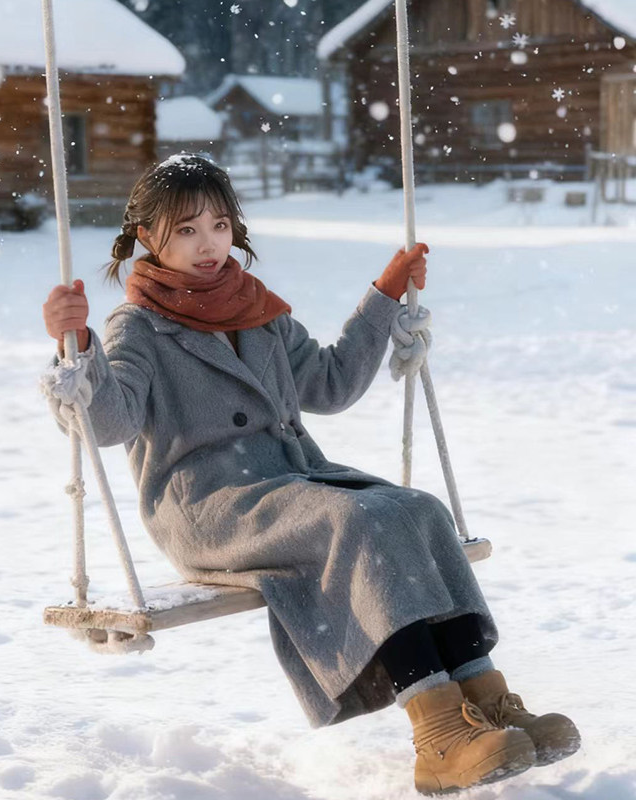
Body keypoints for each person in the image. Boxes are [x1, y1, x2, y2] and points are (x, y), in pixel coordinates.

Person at [42, 153, 579, 795]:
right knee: (355, 518)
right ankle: (437, 732)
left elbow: (331, 382)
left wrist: (383, 300)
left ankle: (486, 701)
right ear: (147, 239)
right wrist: (74, 352)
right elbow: (109, 422)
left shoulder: (257, 310)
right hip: (209, 506)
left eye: (218, 225)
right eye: (186, 231)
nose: (208, 244)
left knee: (417, 508)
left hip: (293, 482)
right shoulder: (139, 327)